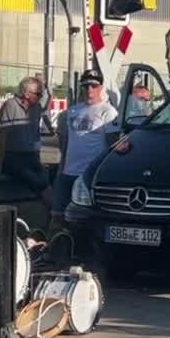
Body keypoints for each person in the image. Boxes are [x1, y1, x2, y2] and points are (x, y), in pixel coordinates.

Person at [54, 70, 119, 236]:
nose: (89, 89)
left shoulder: (108, 112)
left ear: (100, 87)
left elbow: (113, 146)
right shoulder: (73, 111)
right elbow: (66, 143)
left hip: (88, 175)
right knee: (57, 217)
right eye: (86, 86)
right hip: (68, 172)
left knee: (84, 219)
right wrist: (61, 170)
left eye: (94, 85)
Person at [0, 77, 53, 209]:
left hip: (30, 155)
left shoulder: (36, 108)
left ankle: (54, 214)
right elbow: (3, 136)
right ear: (26, 94)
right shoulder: (11, 105)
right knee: (35, 180)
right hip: (13, 156)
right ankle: (54, 213)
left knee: (46, 176)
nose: (40, 97)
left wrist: (37, 158)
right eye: (38, 94)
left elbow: (35, 134)